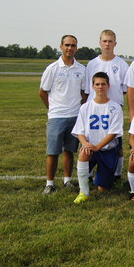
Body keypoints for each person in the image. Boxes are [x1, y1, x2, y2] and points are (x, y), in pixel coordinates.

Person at [39, 35, 86, 194]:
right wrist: (52, 109)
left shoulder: (81, 69)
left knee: (69, 150)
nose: (69, 48)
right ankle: (49, 183)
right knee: (52, 152)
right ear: (61, 46)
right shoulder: (53, 68)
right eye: (67, 45)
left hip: (74, 116)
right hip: (56, 116)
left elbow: (84, 93)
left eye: (73, 45)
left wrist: (80, 110)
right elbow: (42, 92)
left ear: (76, 48)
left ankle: (67, 181)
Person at [84, 29, 129, 183]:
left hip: (113, 109)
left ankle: (116, 174)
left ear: (115, 43)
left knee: (116, 144)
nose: (107, 44)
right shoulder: (92, 64)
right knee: (90, 141)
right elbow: (86, 89)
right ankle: (87, 174)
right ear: (100, 43)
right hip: (94, 108)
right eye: (104, 41)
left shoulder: (122, 64)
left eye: (110, 41)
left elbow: (124, 89)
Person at [71, 72, 123, 203]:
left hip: (107, 150)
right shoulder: (85, 107)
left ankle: (99, 178)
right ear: (93, 86)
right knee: (83, 153)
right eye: (97, 84)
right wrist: (85, 144)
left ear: (108, 86)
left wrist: (97, 147)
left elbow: (113, 133)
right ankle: (83, 192)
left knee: (102, 188)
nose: (100, 87)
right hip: (90, 148)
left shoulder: (115, 107)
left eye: (103, 84)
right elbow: (79, 131)